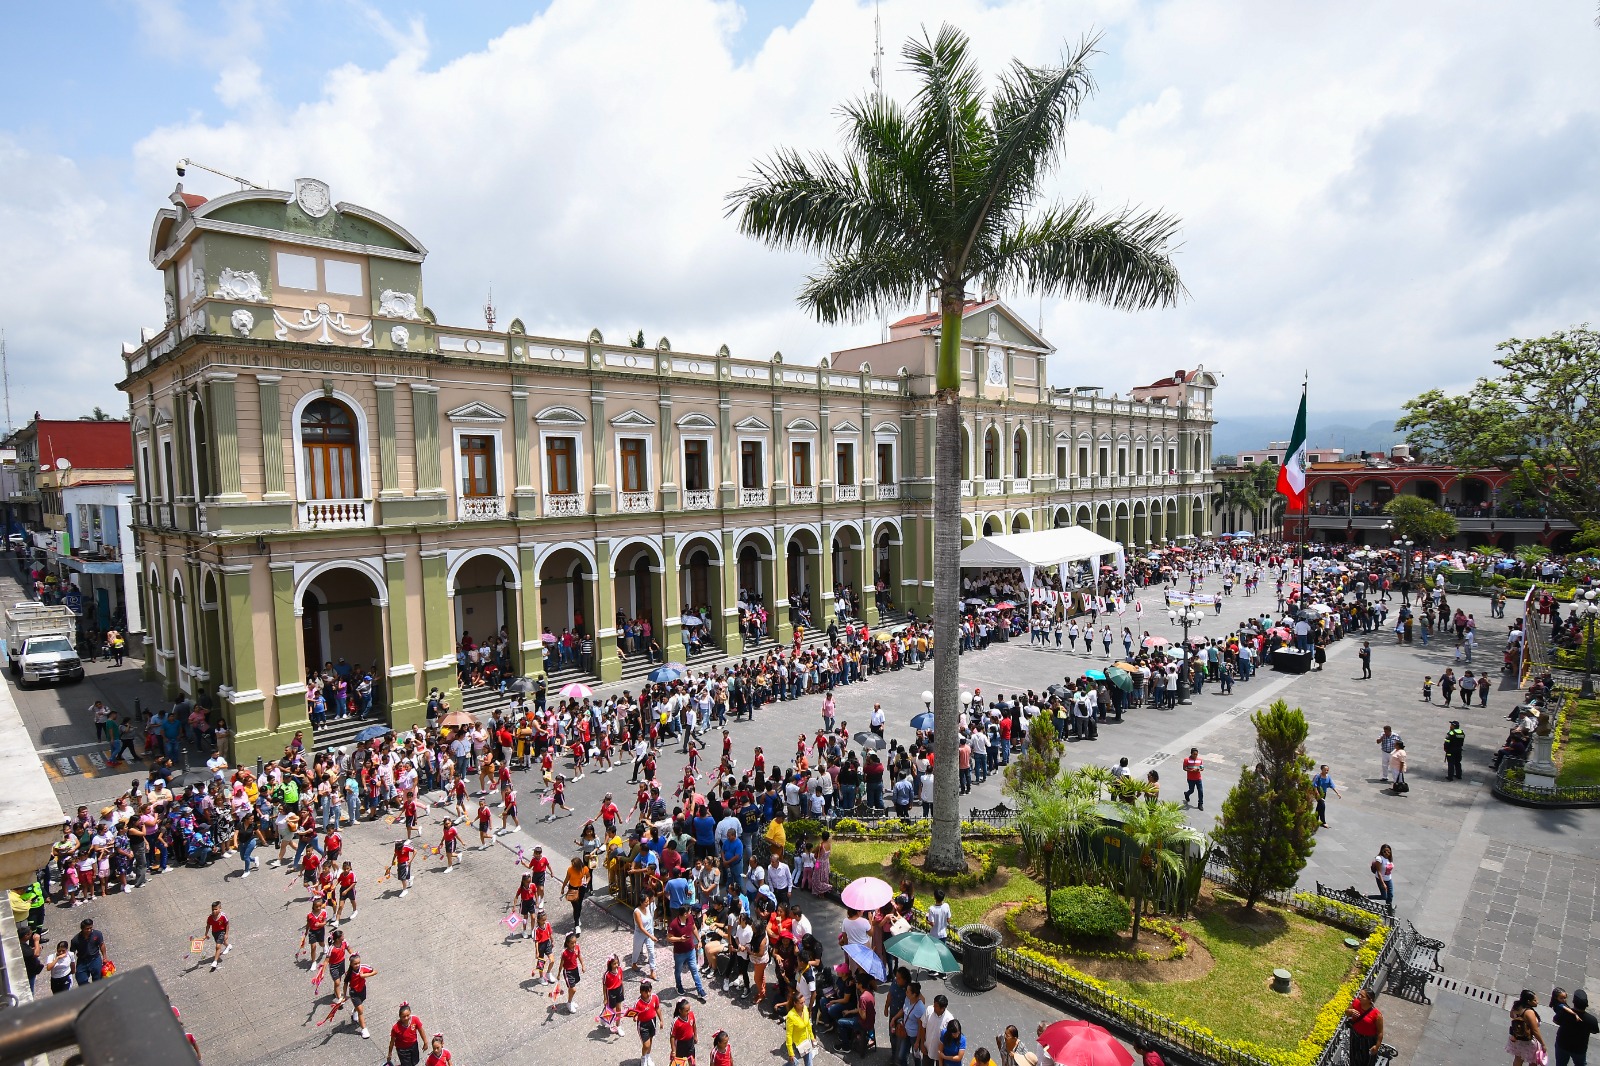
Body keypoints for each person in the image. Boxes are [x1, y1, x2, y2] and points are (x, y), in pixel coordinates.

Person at [1552, 987, 1598, 1066]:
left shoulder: (1564, 1013)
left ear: (1573, 1001)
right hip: (1579, 1048)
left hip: (1562, 1044)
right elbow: (1594, 1031)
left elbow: (1555, 1020)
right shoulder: (1592, 1020)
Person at [626, 979, 662, 1066]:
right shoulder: (638, 1003)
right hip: (642, 1025)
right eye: (646, 992)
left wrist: (661, 1020)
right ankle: (643, 1058)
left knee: (651, 1040)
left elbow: (657, 1008)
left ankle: (648, 1056)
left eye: (649, 991)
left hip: (652, 1022)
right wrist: (635, 1017)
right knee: (646, 1044)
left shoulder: (655, 997)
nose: (648, 994)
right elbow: (635, 1014)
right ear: (641, 992)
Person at [1345, 988, 1383, 1066]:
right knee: (1354, 1057)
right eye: (1359, 995)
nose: (1359, 997)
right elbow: (1347, 1013)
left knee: (1367, 1060)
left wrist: (1377, 1046)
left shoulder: (1376, 1015)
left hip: (1368, 1040)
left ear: (1370, 1000)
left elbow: (1380, 1032)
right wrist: (1350, 1011)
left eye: (1362, 996)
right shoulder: (1355, 1003)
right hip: (1355, 1036)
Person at [1508, 989, 1547, 1066]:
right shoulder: (1529, 1012)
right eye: (1535, 1000)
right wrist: (1543, 1044)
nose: (1537, 1002)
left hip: (1517, 1038)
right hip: (1528, 1041)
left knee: (1518, 1059)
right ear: (1528, 1001)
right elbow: (1535, 1030)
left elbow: (1512, 1016)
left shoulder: (1516, 1006)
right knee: (1533, 1061)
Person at [785, 989, 818, 1066]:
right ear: (795, 1003)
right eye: (801, 1003)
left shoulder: (805, 1009)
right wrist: (791, 1053)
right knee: (793, 1063)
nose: (803, 1004)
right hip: (797, 1044)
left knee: (809, 1064)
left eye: (804, 1002)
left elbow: (808, 1025)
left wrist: (812, 1037)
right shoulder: (791, 1016)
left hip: (806, 1042)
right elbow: (789, 1035)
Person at [69, 918, 105, 986]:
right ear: (82, 929)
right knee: (81, 981)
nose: (89, 930)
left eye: (90, 928)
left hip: (95, 959)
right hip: (82, 961)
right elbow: (72, 953)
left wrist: (105, 957)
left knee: (98, 980)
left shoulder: (97, 934)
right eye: (87, 928)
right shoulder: (75, 940)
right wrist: (71, 965)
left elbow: (102, 945)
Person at [202, 900, 230, 971]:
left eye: (216, 909)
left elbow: (227, 924)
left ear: (220, 909)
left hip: (222, 931)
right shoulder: (210, 917)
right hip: (214, 932)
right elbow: (208, 925)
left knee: (218, 946)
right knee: (221, 942)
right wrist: (205, 934)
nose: (214, 911)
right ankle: (228, 946)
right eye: (213, 909)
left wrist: (226, 934)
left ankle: (215, 961)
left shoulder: (223, 916)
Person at [671, 998, 699, 1066]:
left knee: (691, 1061)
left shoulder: (691, 1015)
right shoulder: (676, 1022)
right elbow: (672, 1036)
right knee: (678, 1062)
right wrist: (673, 1050)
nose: (688, 1012)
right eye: (686, 1010)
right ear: (680, 1011)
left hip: (690, 1042)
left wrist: (695, 1035)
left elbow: (694, 1024)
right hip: (680, 1045)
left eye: (689, 1009)